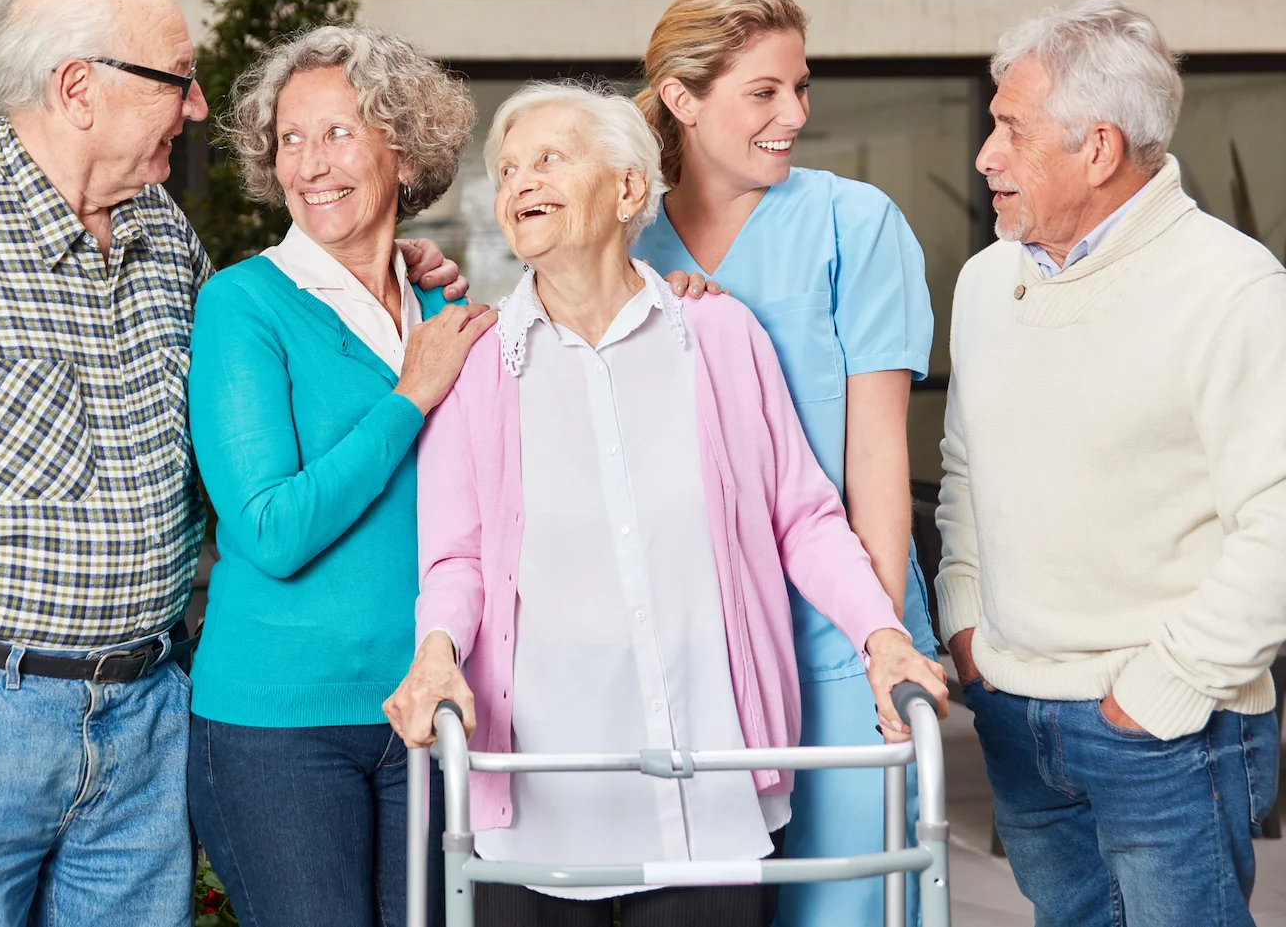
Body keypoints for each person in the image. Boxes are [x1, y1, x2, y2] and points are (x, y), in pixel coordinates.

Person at [0, 0, 464, 927]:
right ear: (79, 87)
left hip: (143, 723)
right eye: (179, 77)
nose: (201, 106)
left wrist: (395, 269)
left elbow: (265, 400)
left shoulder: (167, 240)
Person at [384, 82, 948, 927]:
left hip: (706, 786)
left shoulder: (720, 338)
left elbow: (803, 515)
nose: (519, 184)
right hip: (539, 795)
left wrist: (885, 636)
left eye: (549, 159)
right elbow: (455, 557)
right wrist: (437, 653)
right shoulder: (480, 366)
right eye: (505, 171)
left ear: (627, 189)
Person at [937, 0, 1286, 926]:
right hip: (1014, 708)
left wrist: (1163, 689)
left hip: (1167, 728)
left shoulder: (1233, 287)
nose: (985, 157)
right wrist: (967, 622)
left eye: (1010, 129)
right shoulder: (986, 280)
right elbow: (965, 471)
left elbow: (1279, 521)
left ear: (1097, 149)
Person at [630, 0, 940, 927]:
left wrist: (878, 638)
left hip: (837, 635)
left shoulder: (857, 223)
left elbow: (877, 452)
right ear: (683, 99)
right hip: (694, 648)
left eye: (800, 88)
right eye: (764, 92)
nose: (795, 115)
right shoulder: (622, 238)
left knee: (848, 906)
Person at [185, 23, 493, 927]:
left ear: (403, 147)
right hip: (278, 726)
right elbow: (269, 529)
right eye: (290, 138)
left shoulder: (443, 303)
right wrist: (408, 398)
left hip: (429, 711)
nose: (309, 164)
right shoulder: (243, 304)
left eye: (339, 132)